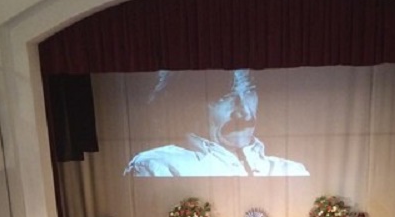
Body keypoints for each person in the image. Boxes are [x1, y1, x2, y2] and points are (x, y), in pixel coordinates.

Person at [124, 69, 309, 178]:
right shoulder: (157, 166)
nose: (245, 113)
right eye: (226, 97)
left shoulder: (292, 170)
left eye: (250, 91)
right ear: (189, 105)